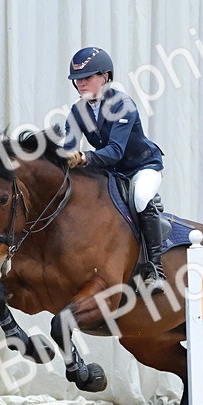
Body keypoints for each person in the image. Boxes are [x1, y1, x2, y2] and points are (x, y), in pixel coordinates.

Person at [62, 46, 167, 291]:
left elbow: (115, 151)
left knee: (140, 197)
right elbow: (68, 148)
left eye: (87, 78)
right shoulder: (78, 111)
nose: (81, 84)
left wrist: (83, 157)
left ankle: (155, 268)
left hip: (141, 166)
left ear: (106, 76)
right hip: (111, 171)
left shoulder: (122, 104)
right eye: (77, 80)